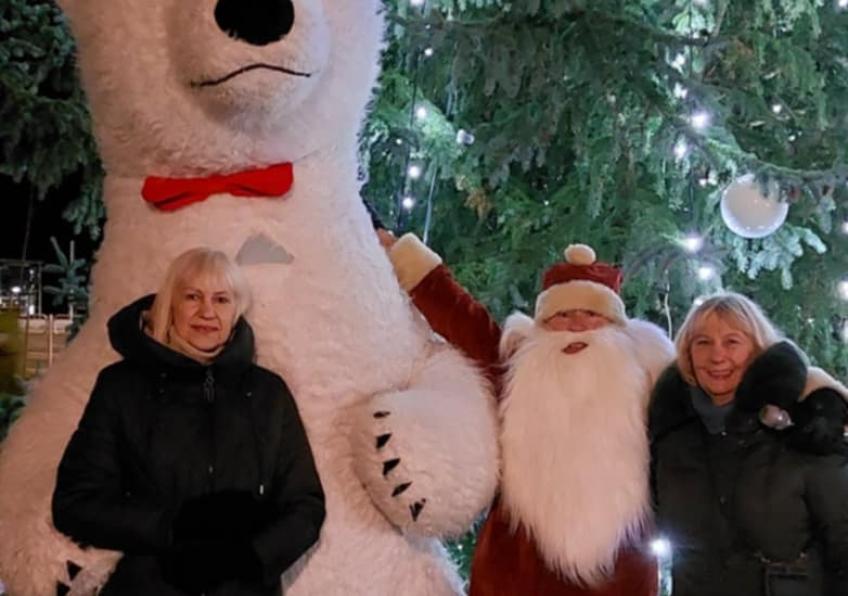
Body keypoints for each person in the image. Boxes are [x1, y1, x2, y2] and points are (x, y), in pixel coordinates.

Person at [383, 231, 675, 596]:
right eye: (562, 315)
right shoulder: (518, 367)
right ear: (540, 325)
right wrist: (401, 253)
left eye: (591, 314)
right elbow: (462, 318)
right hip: (516, 568)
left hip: (620, 572)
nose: (575, 326)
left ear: (617, 327)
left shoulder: (649, 379)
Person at [52, 248, 325, 596]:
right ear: (171, 304)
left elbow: (305, 505)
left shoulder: (268, 393)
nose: (207, 312)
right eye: (192, 296)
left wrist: (248, 557)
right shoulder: (121, 386)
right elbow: (75, 502)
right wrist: (174, 529)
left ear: (236, 310)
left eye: (221, 299)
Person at [649, 292, 848, 596]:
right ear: (687, 354)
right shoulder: (672, 442)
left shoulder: (804, 430)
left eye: (732, 342)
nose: (717, 357)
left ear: (757, 351)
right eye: (702, 343)